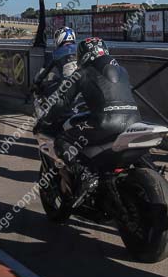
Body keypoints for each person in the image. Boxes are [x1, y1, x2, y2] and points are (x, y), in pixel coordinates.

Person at [43, 37, 141, 196]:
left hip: (106, 123)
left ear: (83, 56)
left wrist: (46, 120)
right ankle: (155, 172)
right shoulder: (123, 70)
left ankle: (85, 177)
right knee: (137, 146)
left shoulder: (81, 73)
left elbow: (61, 103)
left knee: (62, 141)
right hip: (135, 120)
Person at [34, 27, 78, 93]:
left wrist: (36, 82)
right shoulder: (80, 48)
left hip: (68, 88)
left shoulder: (56, 53)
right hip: (85, 85)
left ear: (60, 37)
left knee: (48, 94)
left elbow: (44, 73)